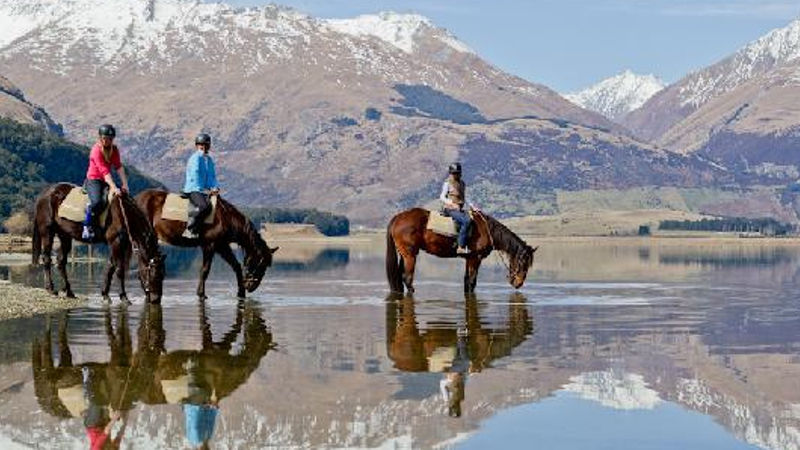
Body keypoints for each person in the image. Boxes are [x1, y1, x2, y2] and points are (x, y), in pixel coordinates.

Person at [83, 124, 129, 240]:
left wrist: (125, 185)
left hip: (105, 180)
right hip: (94, 180)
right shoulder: (96, 150)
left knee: (122, 199)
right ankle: (87, 226)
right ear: (100, 138)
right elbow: (104, 171)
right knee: (99, 202)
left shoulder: (114, 150)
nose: (107, 141)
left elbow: (119, 167)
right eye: (105, 138)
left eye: (110, 138)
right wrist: (113, 187)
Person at [182, 133, 219, 239]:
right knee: (204, 206)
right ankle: (190, 229)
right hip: (194, 189)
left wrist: (214, 187)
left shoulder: (209, 160)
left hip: (204, 190)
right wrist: (205, 190)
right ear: (197, 146)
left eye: (206, 145)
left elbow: (211, 177)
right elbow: (195, 174)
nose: (203, 147)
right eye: (200, 145)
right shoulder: (195, 158)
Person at [439, 163, 471, 254]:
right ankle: (460, 246)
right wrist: (452, 204)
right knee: (466, 221)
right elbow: (442, 197)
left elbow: (465, 197)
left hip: (459, 208)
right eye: (454, 173)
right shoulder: (447, 183)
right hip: (450, 209)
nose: (455, 175)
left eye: (457, 173)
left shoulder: (462, 184)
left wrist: (473, 206)